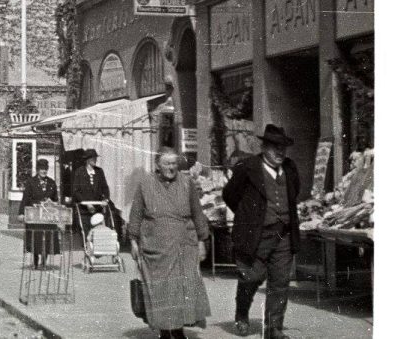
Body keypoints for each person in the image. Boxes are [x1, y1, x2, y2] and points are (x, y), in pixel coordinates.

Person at [222, 125, 301, 339]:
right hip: (256, 235)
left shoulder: (290, 168)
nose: (280, 152)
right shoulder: (247, 168)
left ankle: (273, 328)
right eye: (275, 147)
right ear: (264, 147)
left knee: (280, 281)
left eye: (283, 148)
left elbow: (295, 192)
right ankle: (242, 312)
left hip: (283, 234)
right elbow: (229, 194)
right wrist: (249, 216)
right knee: (251, 277)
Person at [128, 147, 211, 338]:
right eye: (167, 163)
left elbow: (197, 213)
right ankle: (165, 331)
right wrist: (133, 240)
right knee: (162, 291)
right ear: (158, 164)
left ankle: (178, 330)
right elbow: (136, 214)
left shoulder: (187, 183)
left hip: (184, 245)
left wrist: (201, 241)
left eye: (174, 163)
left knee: (182, 289)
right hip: (156, 249)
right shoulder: (145, 184)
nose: (171, 168)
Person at [18, 159, 60, 269]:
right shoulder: (31, 182)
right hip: (35, 215)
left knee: (47, 238)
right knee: (36, 238)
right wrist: (21, 213)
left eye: (45, 169)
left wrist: (52, 202)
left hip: (48, 216)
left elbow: (56, 199)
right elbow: (25, 198)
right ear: (37, 170)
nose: (44, 171)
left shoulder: (51, 183)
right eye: (41, 169)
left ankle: (44, 262)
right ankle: (36, 263)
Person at [71, 149, 111, 237]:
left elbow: (105, 188)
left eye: (95, 158)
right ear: (87, 160)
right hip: (84, 210)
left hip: (98, 209)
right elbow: (76, 191)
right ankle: (87, 249)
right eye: (93, 158)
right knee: (86, 235)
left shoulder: (99, 171)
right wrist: (87, 204)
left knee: (99, 235)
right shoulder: (79, 172)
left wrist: (106, 199)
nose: (95, 160)